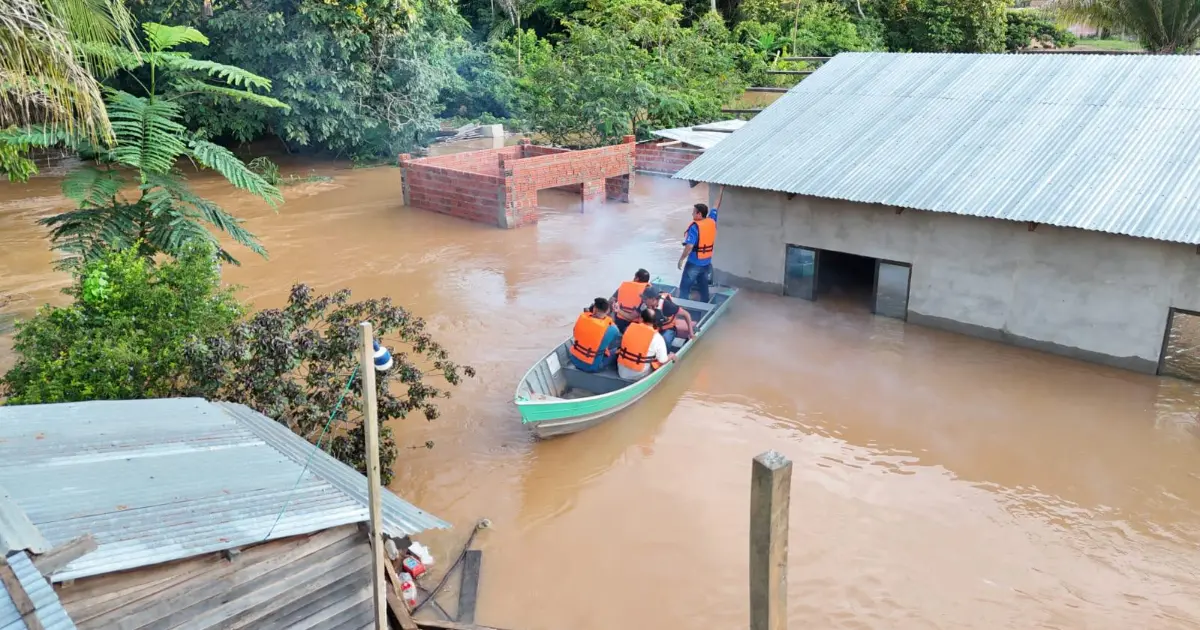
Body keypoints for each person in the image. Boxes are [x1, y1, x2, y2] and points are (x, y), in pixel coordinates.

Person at [678, 186, 722, 302]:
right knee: (703, 287)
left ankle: (682, 307)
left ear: (699, 214)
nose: (692, 214)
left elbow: (689, 246)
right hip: (706, 262)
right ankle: (705, 304)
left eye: (694, 212)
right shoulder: (711, 221)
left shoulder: (695, 227)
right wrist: (721, 189)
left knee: (684, 288)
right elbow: (716, 205)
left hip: (694, 263)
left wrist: (681, 259)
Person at [617, 309, 675, 381]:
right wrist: (671, 356)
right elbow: (663, 360)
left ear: (641, 319)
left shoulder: (629, 328)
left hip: (621, 371)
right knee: (663, 361)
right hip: (638, 375)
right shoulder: (657, 338)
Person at [569, 298, 622, 373]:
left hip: (574, 360)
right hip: (592, 367)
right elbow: (616, 338)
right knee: (618, 349)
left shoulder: (582, 317)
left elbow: (575, 332)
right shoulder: (612, 329)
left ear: (594, 308)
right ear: (607, 311)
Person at [639, 284, 695, 349]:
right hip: (653, 328)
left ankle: (666, 353)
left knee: (665, 341)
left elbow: (686, 314)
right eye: (643, 298)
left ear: (653, 299)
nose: (643, 301)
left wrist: (691, 332)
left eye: (645, 299)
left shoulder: (667, 305)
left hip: (668, 328)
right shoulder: (644, 305)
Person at [610, 268, 651, 333]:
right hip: (634, 325)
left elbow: (611, 301)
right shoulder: (647, 291)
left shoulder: (624, 286)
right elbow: (633, 316)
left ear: (636, 278)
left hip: (618, 321)